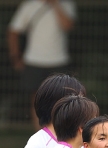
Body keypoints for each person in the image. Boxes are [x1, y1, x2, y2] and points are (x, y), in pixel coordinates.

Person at [8, 0, 77, 128]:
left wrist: (55, 5)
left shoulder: (66, 4)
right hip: (34, 60)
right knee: (37, 100)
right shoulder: (29, 6)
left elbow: (68, 25)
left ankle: (58, 134)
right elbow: (14, 31)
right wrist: (15, 56)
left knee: (61, 100)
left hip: (59, 60)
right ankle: (40, 135)